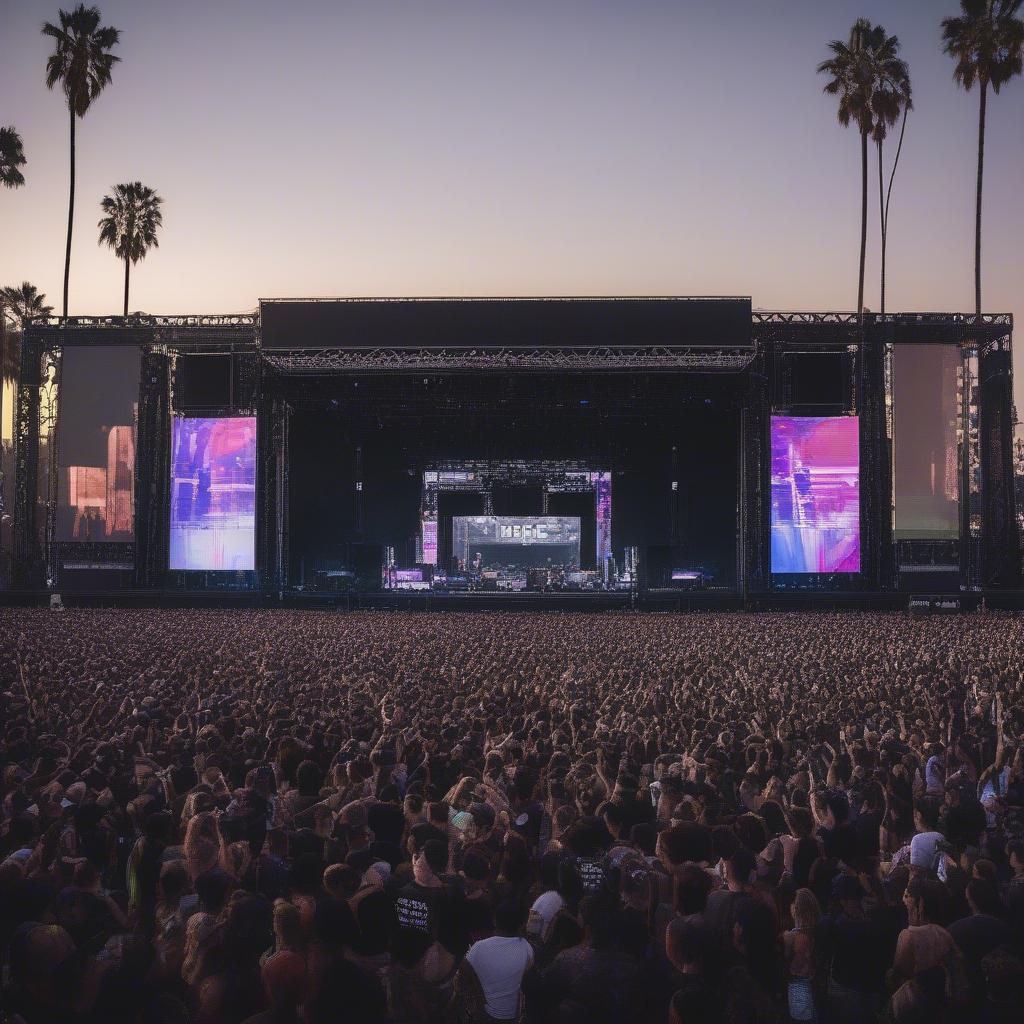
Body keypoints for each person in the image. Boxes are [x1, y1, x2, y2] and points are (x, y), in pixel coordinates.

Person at [461, 899, 534, 1023]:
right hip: (512, 1016)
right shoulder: (527, 948)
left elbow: (463, 972)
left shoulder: (478, 948)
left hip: (484, 1013)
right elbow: (527, 974)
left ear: (495, 920)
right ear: (522, 924)